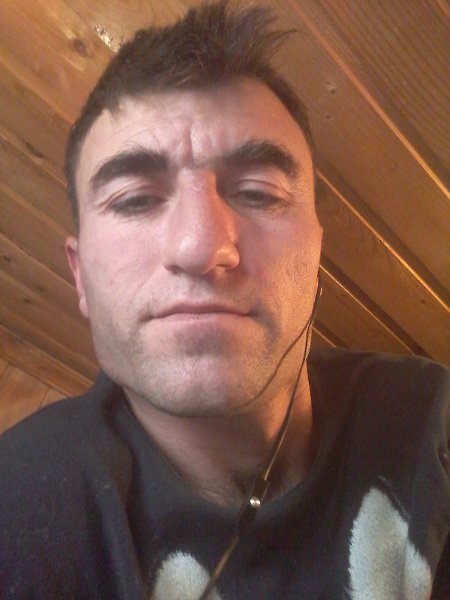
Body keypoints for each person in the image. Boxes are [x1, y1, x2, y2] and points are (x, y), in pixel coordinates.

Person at [0, 1, 448, 598]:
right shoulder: (17, 504)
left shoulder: (432, 422)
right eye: (134, 200)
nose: (200, 246)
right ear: (80, 277)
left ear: (316, 252)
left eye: (258, 192)